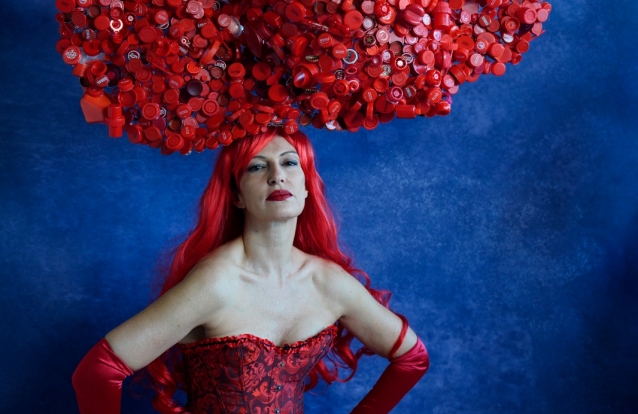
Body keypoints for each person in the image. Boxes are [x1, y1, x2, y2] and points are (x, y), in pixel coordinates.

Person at [72, 127, 429, 413]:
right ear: (237, 196)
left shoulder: (328, 282)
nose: (277, 176)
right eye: (257, 167)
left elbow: (412, 358)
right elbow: (97, 373)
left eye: (290, 163)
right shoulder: (216, 282)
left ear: (307, 187)